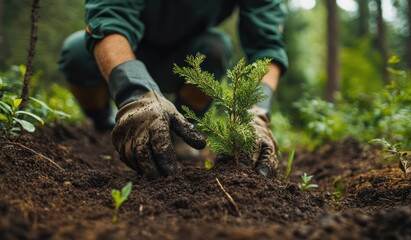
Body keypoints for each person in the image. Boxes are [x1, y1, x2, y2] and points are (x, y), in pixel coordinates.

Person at [58, 0, 288, 179]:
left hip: (190, 56)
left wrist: (256, 114)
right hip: (125, 49)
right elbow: (108, 21)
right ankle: (103, 126)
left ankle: (180, 132)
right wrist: (136, 94)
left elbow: (267, 47)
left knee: (215, 48)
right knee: (77, 53)